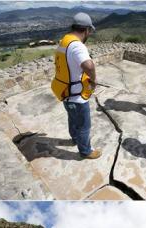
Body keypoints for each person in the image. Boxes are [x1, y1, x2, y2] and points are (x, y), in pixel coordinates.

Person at [51, 12, 101, 159]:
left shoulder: (64, 41)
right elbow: (89, 66)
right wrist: (93, 80)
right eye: (89, 31)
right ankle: (86, 151)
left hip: (64, 91)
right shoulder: (77, 46)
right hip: (77, 96)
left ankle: (74, 139)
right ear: (86, 30)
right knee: (84, 126)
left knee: (72, 119)